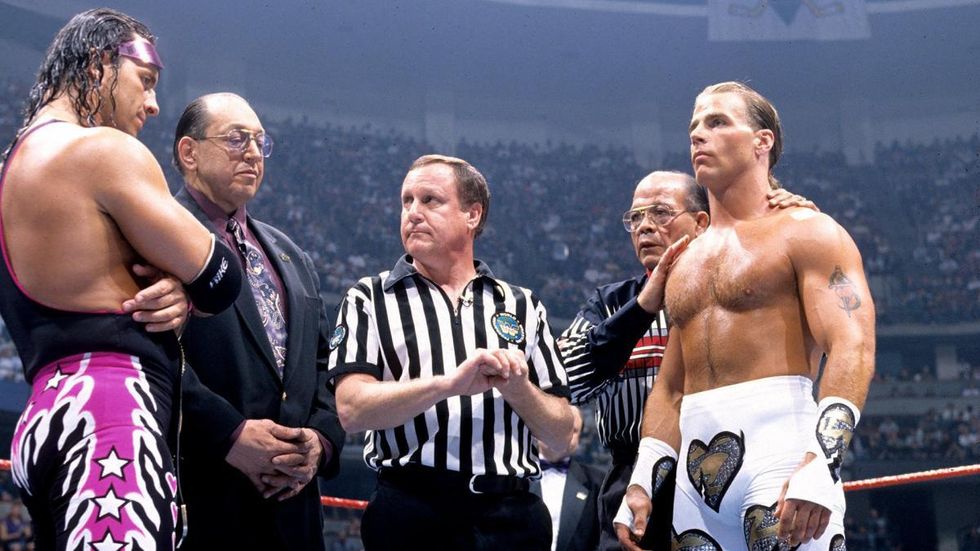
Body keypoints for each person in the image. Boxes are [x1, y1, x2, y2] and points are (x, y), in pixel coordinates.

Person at [2, 9, 243, 550]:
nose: (155, 105)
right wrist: (188, 290)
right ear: (97, 66)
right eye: (147, 81)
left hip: (46, 414)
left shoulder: (9, 173)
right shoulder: (103, 151)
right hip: (111, 416)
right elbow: (221, 276)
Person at [616, 81, 875, 550]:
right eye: (694, 125)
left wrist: (822, 461)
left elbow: (851, 344)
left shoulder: (808, 231)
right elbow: (672, 385)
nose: (698, 135)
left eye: (716, 122)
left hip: (783, 455)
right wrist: (642, 477)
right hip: (695, 481)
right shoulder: (685, 259)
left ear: (763, 141)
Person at [327, 154, 576, 551]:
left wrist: (519, 389)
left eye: (430, 200)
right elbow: (352, 410)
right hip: (411, 509)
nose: (413, 212)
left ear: (472, 215)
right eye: (406, 201)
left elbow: (563, 436)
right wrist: (447, 384)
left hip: (513, 515)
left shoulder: (523, 305)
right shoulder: (369, 297)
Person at [559, 171, 814, 550]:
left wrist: (795, 224)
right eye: (636, 217)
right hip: (632, 479)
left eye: (660, 213)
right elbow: (564, 376)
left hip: (731, 466)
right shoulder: (612, 302)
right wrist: (645, 305)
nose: (645, 225)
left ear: (701, 223)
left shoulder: (741, 295)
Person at [171, 93, 346, 550]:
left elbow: (327, 363)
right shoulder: (157, 232)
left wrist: (320, 441)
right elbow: (147, 354)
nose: (252, 152)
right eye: (235, 138)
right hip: (201, 497)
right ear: (189, 152)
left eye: (259, 141)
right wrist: (229, 433)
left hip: (296, 513)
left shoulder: (292, 253)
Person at [534, 407, 604, 551]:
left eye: (573, 430)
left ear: (579, 438)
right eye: (555, 425)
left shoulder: (597, 483)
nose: (562, 435)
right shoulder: (513, 479)